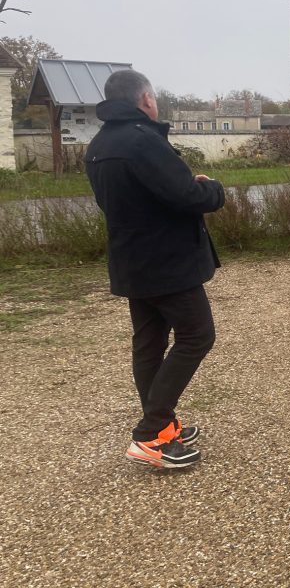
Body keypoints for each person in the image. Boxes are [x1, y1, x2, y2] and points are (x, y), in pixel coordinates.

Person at [86, 69, 225, 470]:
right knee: (197, 335)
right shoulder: (143, 140)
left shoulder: (98, 144)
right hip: (166, 263)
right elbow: (185, 195)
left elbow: (132, 199)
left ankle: (161, 427)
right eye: (154, 98)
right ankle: (150, 434)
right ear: (145, 99)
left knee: (149, 343)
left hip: (131, 259)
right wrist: (211, 187)